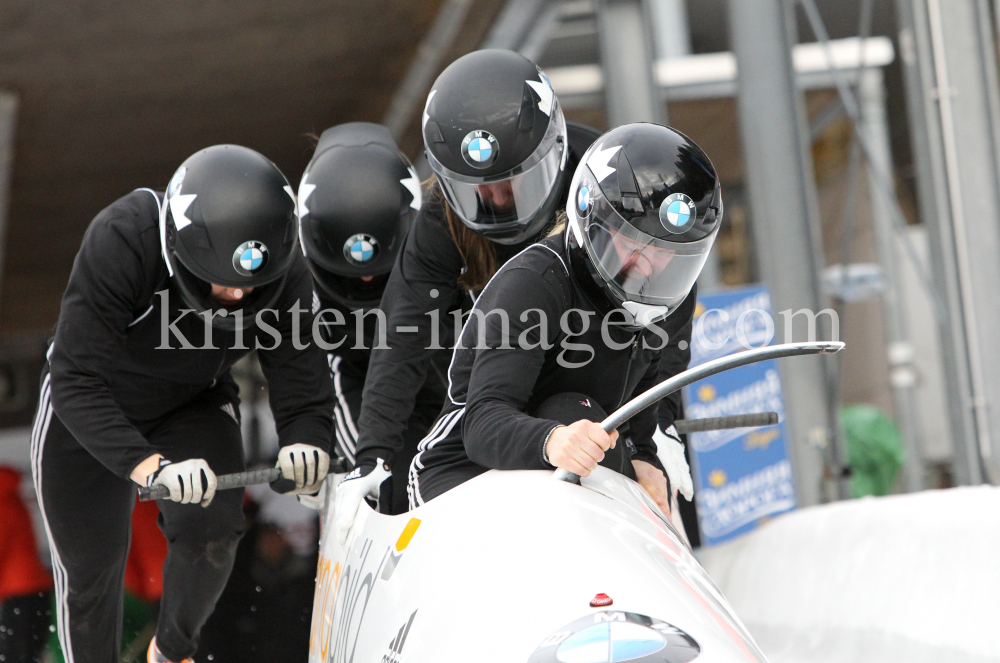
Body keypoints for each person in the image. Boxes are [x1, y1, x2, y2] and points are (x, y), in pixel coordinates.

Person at [31, 145, 334, 663]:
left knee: (214, 531)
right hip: (88, 410)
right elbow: (76, 378)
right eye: (225, 282)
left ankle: (171, 652)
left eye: (251, 285)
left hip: (192, 401)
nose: (238, 299)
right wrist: (148, 466)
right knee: (90, 575)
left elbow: (301, 379)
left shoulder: (286, 273)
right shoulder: (123, 240)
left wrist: (308, 441)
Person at [336, 49, 601, 538]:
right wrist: (372, 452)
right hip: (498, 363)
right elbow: (406, 331)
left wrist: (657, 431)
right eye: (480, 189)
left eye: (514, 184)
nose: (499, 201)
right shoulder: (442, 217)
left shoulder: (603, 180)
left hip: (592, 355)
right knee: (432, 458)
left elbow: (660, 291)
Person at [405, 123, 721, 511]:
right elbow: (482, 423)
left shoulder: (651, 306)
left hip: (566, 464)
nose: (649, 265)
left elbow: (638, 400)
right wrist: (554, 440)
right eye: (634, 243)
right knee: (573, 415)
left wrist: (644, 454)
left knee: (599, 437)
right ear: (594, 218)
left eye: (669, 252)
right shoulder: (533, 284)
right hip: (462, 474)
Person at [297, 122, 443, 513]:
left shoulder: (440, 246)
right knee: (391, 475)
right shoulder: (298, 290)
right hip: (357, 381)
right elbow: (308, 379)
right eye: (353, 272)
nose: (365, 279)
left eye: (378, 272)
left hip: (434, 372)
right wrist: (311, 443)